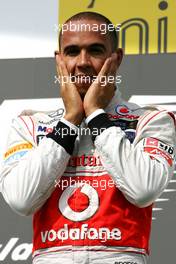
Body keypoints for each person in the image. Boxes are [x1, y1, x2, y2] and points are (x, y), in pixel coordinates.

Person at [0, 11, 175, 264]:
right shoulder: (30, 124)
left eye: (95, 50)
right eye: (72, 52)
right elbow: (21, 199)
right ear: (58, 60)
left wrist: (95, 114)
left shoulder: (151, 121)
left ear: (116, 58)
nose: (82, 62)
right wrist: (70, 119)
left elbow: (143, 190)